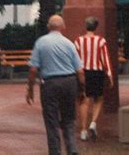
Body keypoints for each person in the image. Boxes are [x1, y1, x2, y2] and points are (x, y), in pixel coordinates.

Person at [27, 14, 85, 155]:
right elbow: (80, 71)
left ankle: (55, 151)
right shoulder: (69, 44)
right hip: (69, 82)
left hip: (50, 84)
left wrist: (30, 89)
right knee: (69, 119)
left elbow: (33, 69)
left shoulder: (40, 43)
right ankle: (72, 149)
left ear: (48, 27)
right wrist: (81, 90)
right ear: (63, 27)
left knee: (51, 120)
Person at [74, 16, 113, 141]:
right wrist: (110, 75)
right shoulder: (101, 41)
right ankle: (93, 123)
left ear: (86, 26)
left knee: (84, 100)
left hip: (83, 72)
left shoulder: (78, 41)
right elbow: (105, 58)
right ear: (96, 27)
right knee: (99, 98)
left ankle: (83, 130)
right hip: (97, 72)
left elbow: (74, 59)